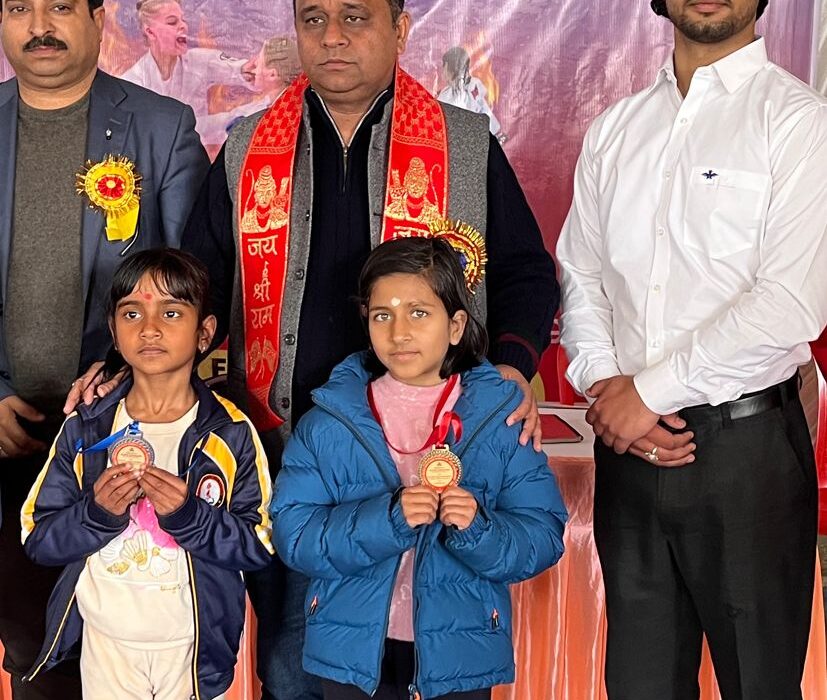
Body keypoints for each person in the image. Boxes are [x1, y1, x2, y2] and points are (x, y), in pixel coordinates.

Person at [67, 0, 558, 697]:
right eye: (313, 18)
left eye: (355, 18)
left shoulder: (465, 144)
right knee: (293, 667)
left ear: (399, 29)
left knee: (431, 663)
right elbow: (201, 285)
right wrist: (126, 362)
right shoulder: (248, 147)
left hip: (434, 456)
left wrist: (509, 368)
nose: (331, 37)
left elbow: (526, 273)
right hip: (292, 455)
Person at [556, 0, 827, 697]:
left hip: (748, 456)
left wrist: (647, 394)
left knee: (758, 683)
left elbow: (789, 303)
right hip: (630, 454)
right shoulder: (615, 129)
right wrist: (606, 385)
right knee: (640, 683)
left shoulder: (796, 121)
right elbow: (581, 273)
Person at [0, 0, 208, 697]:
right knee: (34, 649)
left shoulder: (161, 127)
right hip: (8, 442)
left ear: (98, 19)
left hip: (128, 444)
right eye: (18, 8)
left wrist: (125, 371)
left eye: (60, 6)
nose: (40, 26)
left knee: (133, 646)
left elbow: (195, 282)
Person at [272, 236, 567, 700]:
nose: (399, 332)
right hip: (350, 655)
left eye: (419, 313)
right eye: (382, 315)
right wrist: (387, 520)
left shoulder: (501, 418)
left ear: (456, 325)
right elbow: (294, 535)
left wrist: (479, 529)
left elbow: (543, 535)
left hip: (461, 653)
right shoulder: (328, 421)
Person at [21, 249, 274, 700]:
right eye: (132, 313)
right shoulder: (87, 428)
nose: (150, 328)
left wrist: (189, 516)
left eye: (171, 313)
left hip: (192, 652)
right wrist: (96, 514)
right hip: (107, 647)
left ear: (205, 333)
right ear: (114, 332)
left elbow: (258, 545)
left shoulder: (230, 432)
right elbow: (38, 538)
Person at [120, 0, 256, 144]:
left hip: (198, 151)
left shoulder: (199, 61)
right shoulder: (131, 83)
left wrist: (248, 71)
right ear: (150, 32)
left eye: (183, 20)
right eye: (172, 22)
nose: (183, 26)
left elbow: (239, 69)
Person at [438, 46, 504, 141]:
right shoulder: (472, 84)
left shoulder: (450, 95)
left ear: (449, 68)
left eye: (444, 67)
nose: (443, 73)